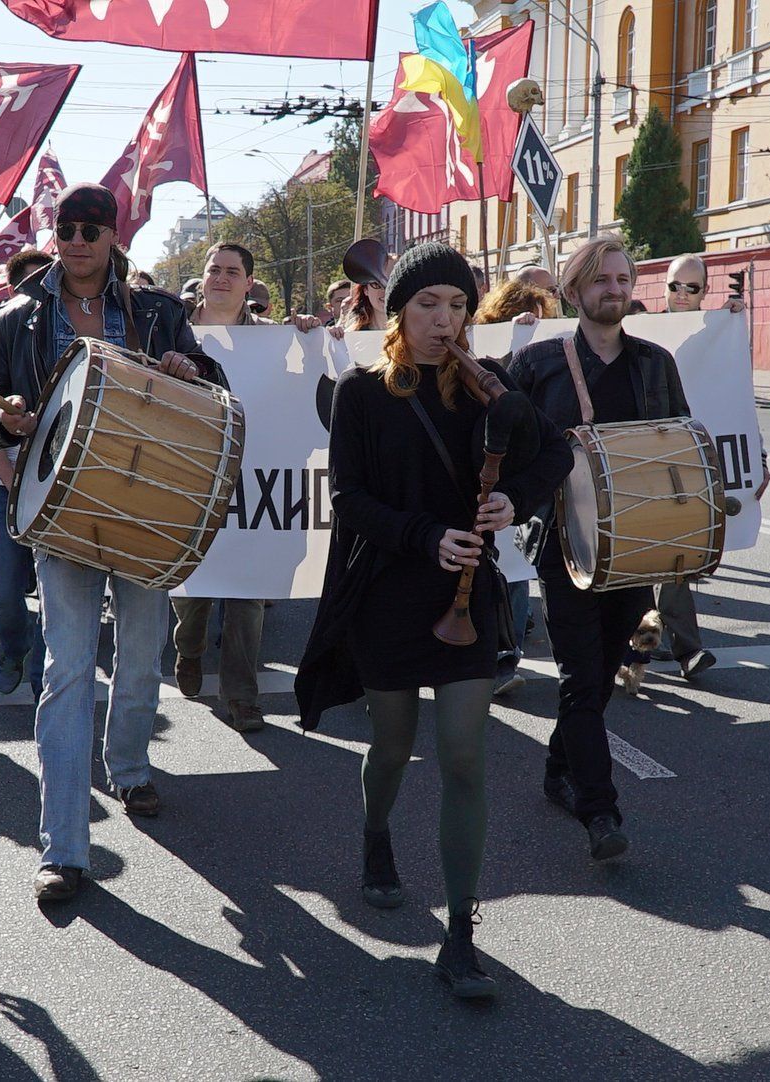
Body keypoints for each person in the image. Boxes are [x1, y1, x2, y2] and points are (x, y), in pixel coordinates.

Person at [295, 242, 570, 1000]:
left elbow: (554, 457)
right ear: (396, 310)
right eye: (428, 305)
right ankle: (376, 837)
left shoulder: (492, 386)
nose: (444, 320)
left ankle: (459, 934)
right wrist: (424, 535)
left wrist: (516, 500)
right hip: (389, 594)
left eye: (457, 305)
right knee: (392, 746)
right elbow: (349, 500)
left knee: (464, 758)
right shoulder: (359, 392)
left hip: (468, 599)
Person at [0, 183, 219, 904]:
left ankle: (128, 766)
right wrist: (2, 416)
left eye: (90, 229)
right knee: (69, 671)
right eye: (66, 228)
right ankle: (64, 848)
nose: (76, 240)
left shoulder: (159, 312)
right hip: (62, 513)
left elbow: (216, 387)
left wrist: (189, 372)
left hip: (149, 507)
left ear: (112, 236)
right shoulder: (17, 314)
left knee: (140, 659)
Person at [507, 234, 681, 861]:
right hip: (566, 549)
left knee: (603, 673)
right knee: (582, 679)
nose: (615, 289)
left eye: (623, 279)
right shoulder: (537, 364)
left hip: (634, 549)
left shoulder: (656, 363)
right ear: (574, 292)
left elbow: (680, 446)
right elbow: (507, 446)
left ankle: (559, 768)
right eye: (601, 280)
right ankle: (600, 811)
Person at [173, 242, 323, 730]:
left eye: (231, 271)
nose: (220, 278)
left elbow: (301, 388)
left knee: (247, 594)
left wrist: (312, 338)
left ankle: (242, 695)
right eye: (213, 270)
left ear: (247, 283)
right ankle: (189, 649)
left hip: (253, 482)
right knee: (192, 591)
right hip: (190, 477)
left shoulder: (272, 339)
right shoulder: (174, 328)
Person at [642, 253, 764, 678]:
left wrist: (756, 458)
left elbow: (735, 400)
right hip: (644, 459)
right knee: (646, 557)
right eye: (675, 285)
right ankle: (658, 646)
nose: (681, 294)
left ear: (704, 291)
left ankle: (684, 651)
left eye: (691, 287)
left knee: (674, 556)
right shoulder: (640, 329)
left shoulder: (719, 333)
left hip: (692, 462)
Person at [0, 247, 59, 699]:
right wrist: (15, 483)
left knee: (55, 596)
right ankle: (12, 648)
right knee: (6, 592)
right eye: (31, 287)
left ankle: (40, 679)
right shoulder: (3, 337)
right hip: (6, 487)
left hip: (62, 492)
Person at [472, 277, 557, 697]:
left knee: (515, 567)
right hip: (479, 478)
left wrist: (519, 495)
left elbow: (555, 450)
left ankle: (506, 656)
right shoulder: (483, 361)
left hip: (511, 476)